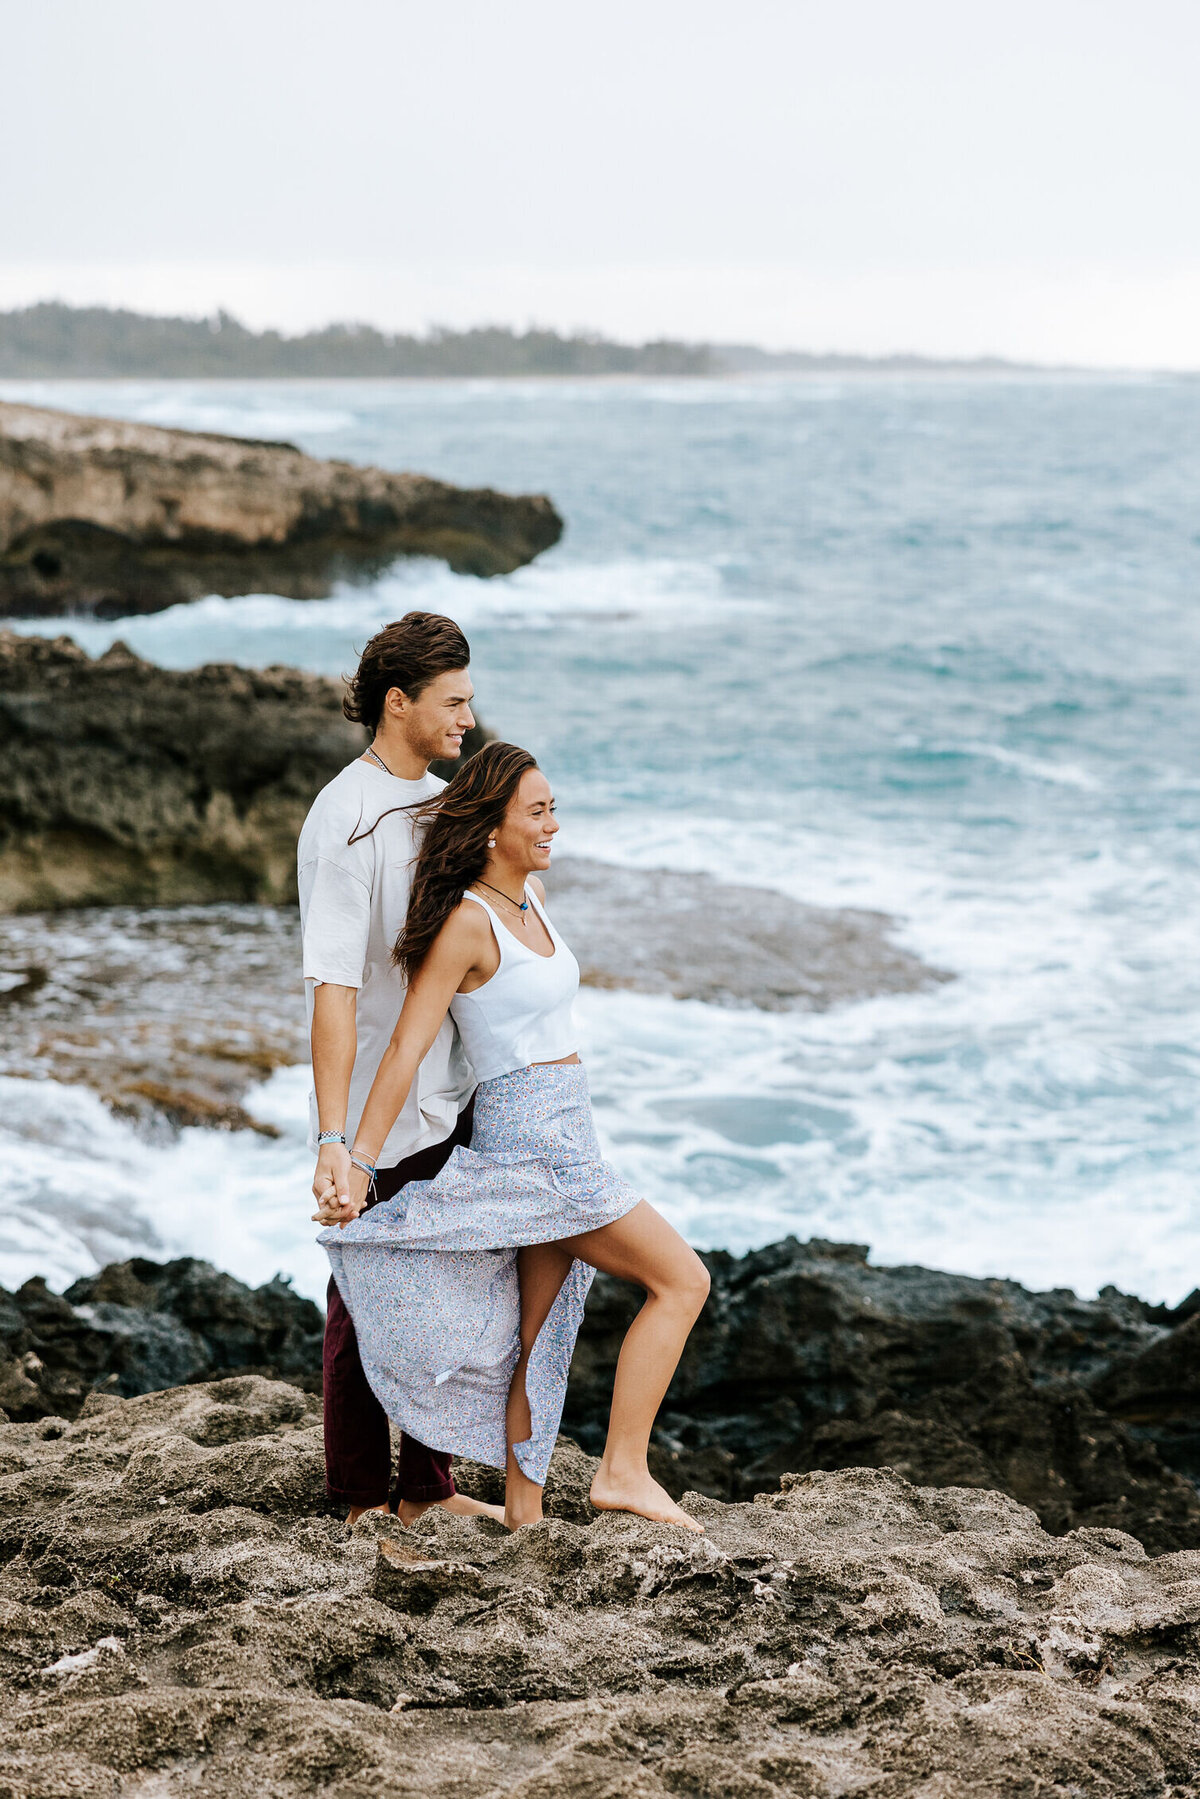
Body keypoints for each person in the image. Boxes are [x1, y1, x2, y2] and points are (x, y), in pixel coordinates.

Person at [316, 742, 711, 1532]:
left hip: (568, 1131)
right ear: (492, 826)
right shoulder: (467, 920)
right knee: (682, 1281)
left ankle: (525, 1513)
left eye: (553, 807)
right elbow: (405, 1046)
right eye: (537, 811)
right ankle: (623, 1468)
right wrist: (354, 1158)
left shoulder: (530, 900)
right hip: (535, 1146)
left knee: (543, 1329)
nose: (553, 824)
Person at [298, 609, 502, 1527]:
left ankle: (427, 1485)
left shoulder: (449, 802)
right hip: (385, 1102)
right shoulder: (343, 819)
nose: (467, 716)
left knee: (453, 1284)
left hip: (456, 1089)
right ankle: (355, 1495)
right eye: (452, 700)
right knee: (365, 1292)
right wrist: (335, 1139)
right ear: (398, 702)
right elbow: (334, 990)